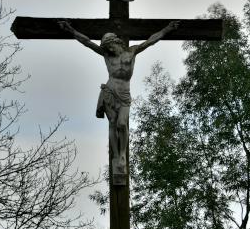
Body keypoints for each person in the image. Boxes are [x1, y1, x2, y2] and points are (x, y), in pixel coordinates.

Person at [58, 20, 180, 182]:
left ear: (116, 42)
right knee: (112, 123)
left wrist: (167, 29)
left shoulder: (132, 51)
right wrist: (70, 30)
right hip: (109, 91)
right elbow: (87, 42)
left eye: (110, 46)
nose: (108, 50)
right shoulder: (106, 55)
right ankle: (116, 156)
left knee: (122, 124)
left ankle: (123, 154)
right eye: (106, 48)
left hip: (124, 94)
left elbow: (151, 40)